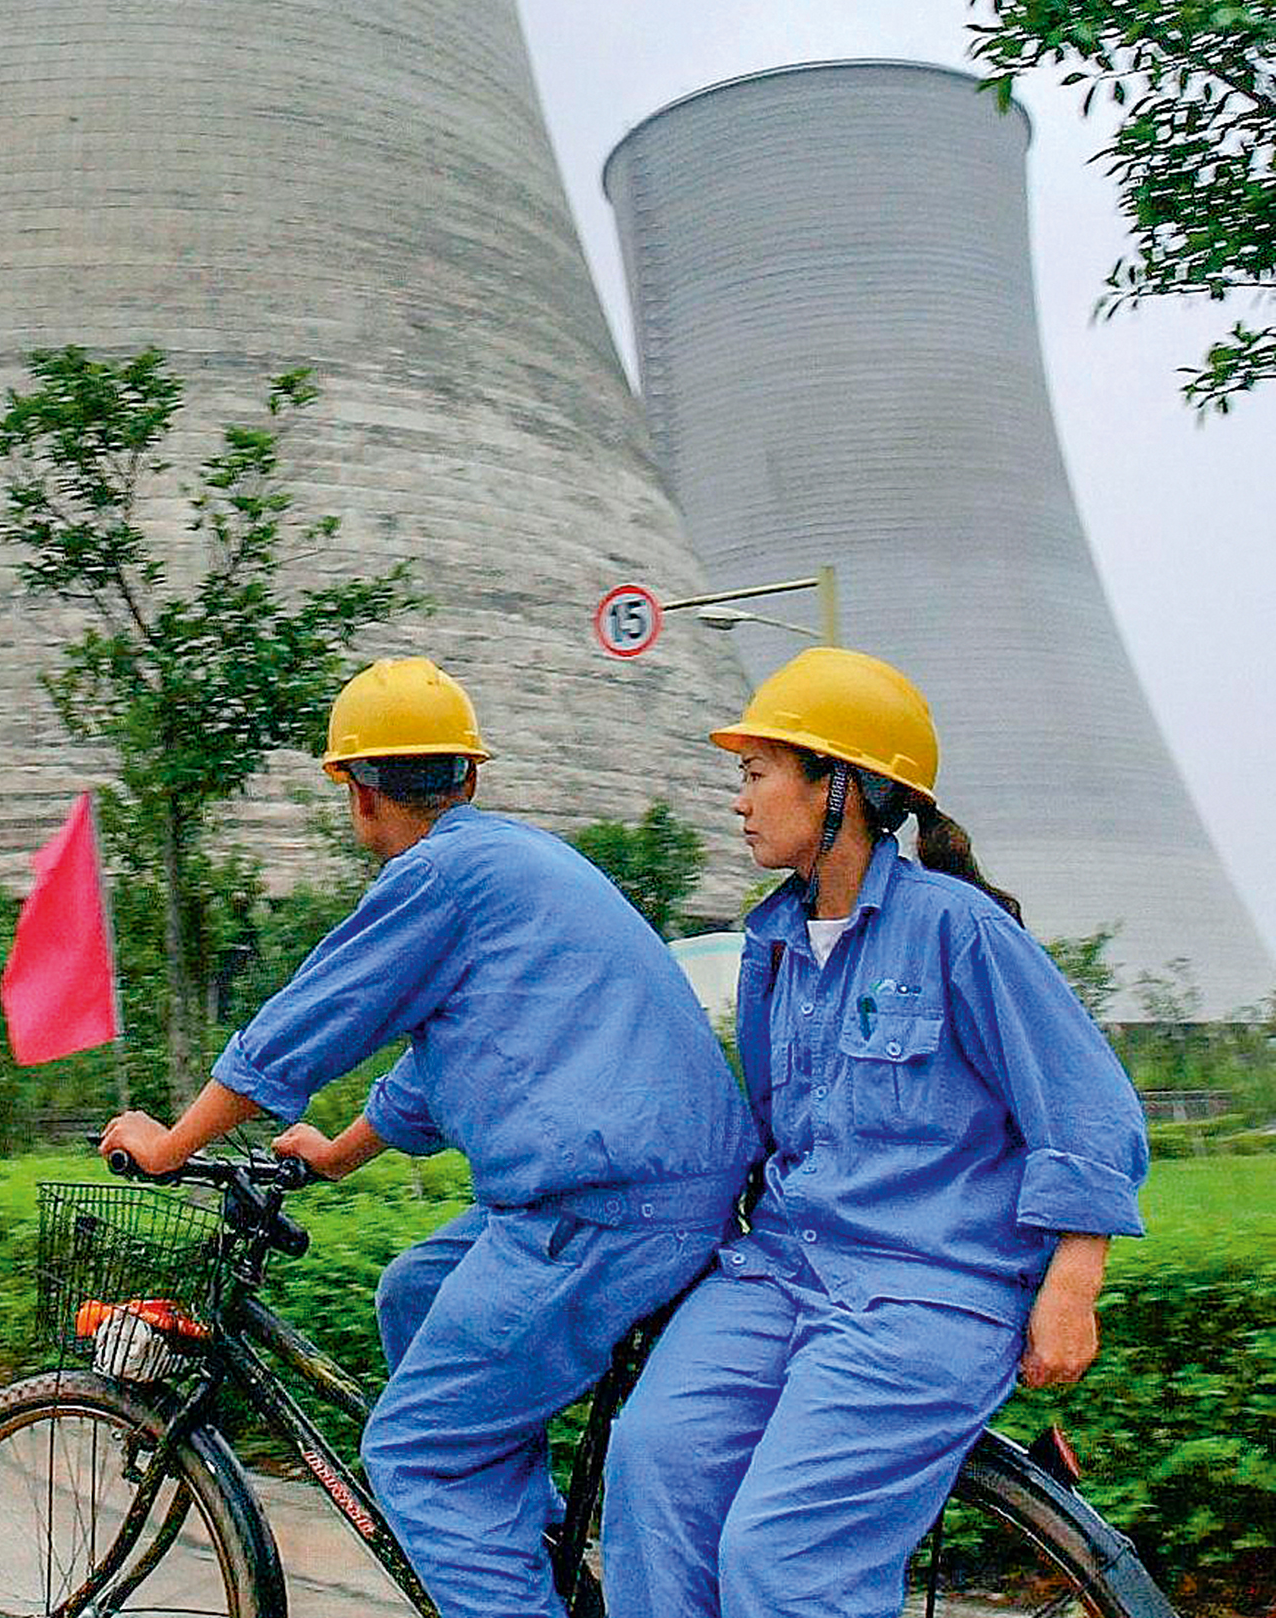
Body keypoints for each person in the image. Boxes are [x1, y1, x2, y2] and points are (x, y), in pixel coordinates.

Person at [101, 654, 758, 1618]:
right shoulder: (516, 860)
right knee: (416, 1288)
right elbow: (444, 1064)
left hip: (603, 1209)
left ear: (359, 796)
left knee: (416, 1453)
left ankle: (495, 1575)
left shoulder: (436, 878)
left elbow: (307, 1021)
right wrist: (334, 1154)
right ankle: (522, 1542)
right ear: (470, 776)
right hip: (660, 1188)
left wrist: (171, 1144)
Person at [602, 646, 1149, 1618]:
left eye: (757, 771)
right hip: (782, 1268)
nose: (741, 798)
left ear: (838, 786)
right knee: (655, 1461)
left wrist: (1072, 1281)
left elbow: (1087, 1102)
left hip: (928, 1288)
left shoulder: (960, 930)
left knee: (783, 1553)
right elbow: (773, 1136)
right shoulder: (773, 941)